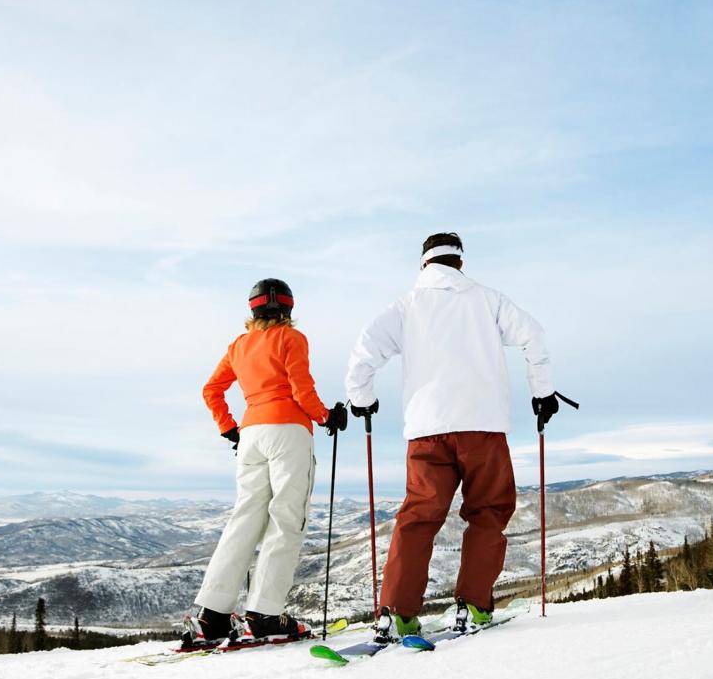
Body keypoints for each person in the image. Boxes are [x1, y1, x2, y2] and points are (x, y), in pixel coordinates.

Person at [345, 232, 561, 639]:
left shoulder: (406, 307)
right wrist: (542, 391)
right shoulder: (487, 299)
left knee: (418, 518)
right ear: (460, 262)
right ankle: (474, 605)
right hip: (483, 427)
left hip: (427, 430)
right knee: (488, 512)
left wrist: (362, 398)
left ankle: (396, 611)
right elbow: (533, 334)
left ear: (424, 264)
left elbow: (365, 349)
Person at [186, 278, 347, 646]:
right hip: (288, 432)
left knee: (245, 519)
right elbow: (300, 389)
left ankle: (212, 615)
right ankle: (265, 615)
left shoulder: (239, 346)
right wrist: (325, 417)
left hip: (252, 435)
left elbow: (211, 389)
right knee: (287, 519)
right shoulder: (292, 339)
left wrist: (230, 429)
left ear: (253, 309)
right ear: (288, 309)